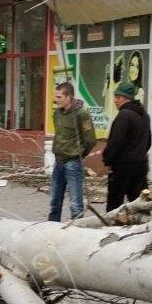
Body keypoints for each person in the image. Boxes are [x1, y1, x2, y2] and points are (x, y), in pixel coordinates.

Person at [48, 81, 97, 222]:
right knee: (54, 201)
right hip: (58, 162)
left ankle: (77, 229)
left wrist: (79, 154)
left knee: (76, 203)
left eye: (59, 97)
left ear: (69, 97)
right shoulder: (57, 113)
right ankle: (51, 228)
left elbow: (91, 141)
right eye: (55, 97)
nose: (55, 100)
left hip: (73, 163)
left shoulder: (82, 114)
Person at [102, 80, 152, 211]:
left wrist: (108, 160)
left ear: (126, 98)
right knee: (139, 205)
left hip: (122, 168)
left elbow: (115, 143)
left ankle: (113, 230)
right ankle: (143, 229)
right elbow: (148, 142)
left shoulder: (124, 115)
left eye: (118, 97)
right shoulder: (144, 115)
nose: (115, 100)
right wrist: (139, 153)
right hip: (141, 166)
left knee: (114, 206)